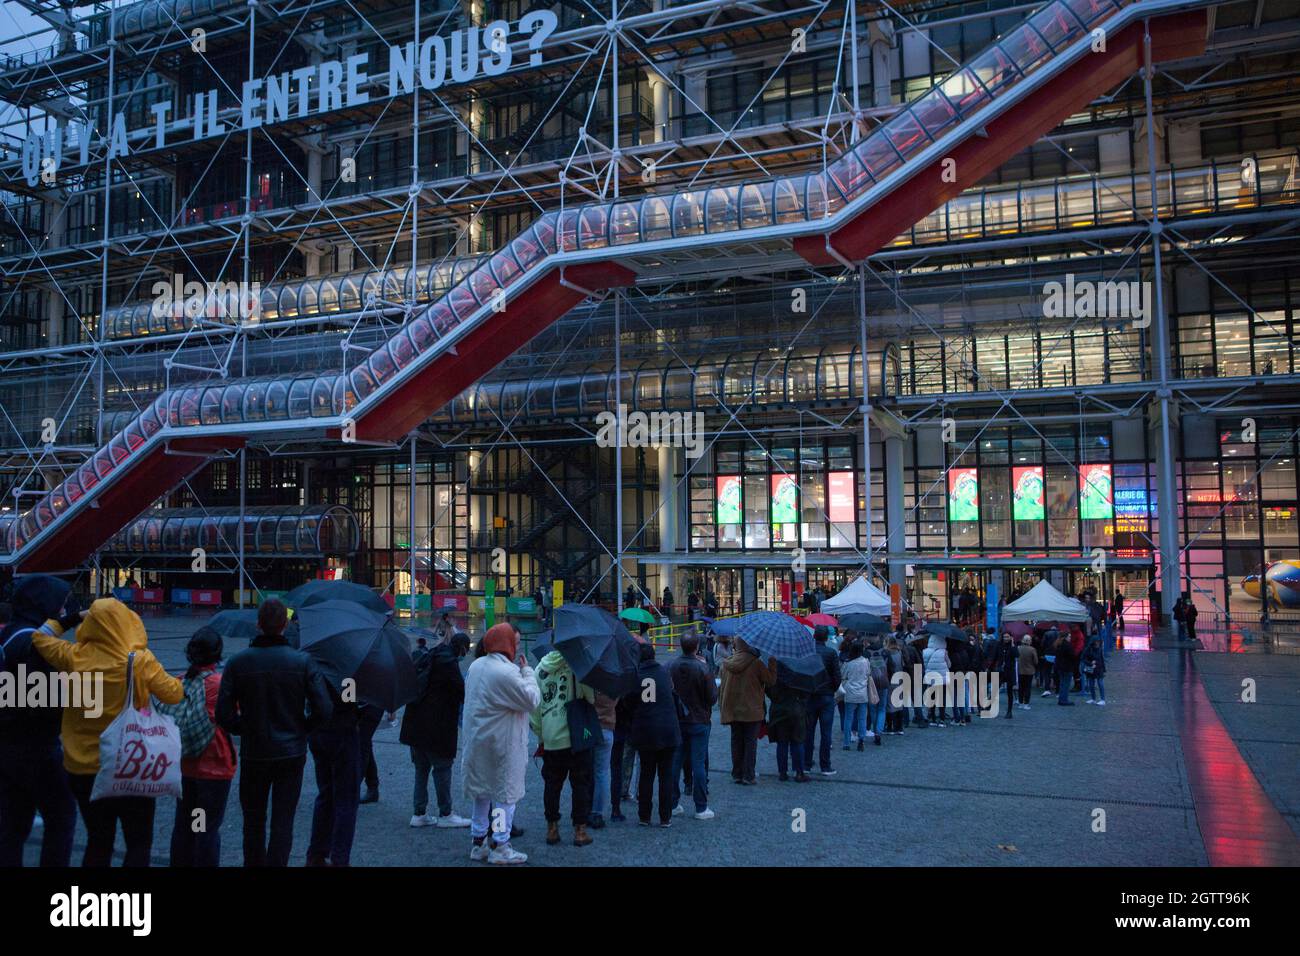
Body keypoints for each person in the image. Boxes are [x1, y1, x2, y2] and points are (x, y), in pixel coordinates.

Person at [33, 597, 184, 867]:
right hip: (130, 764)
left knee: (98, 840)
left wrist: (76, 617)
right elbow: (174, 695)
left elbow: (40, 637)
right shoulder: (138, 661)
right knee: (138, 842)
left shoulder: (73, 657)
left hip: (83, 768)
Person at [217, 598, 333, 867]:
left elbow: (223, 714)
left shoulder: (238, 663)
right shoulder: (302, 662)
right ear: (284, 625)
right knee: (283, 821)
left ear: (258, 624)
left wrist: (245, 728)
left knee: (253, 821)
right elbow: (323, 708)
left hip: (255, 751)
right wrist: (302, 728)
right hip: (290, 752)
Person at [0, 576, 78, 867]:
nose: (61, 610)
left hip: (8, 742)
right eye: (59, 604)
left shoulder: (11, 634)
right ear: (44, 603)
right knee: (62, 815)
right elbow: (45, 702)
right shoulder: (35, 646)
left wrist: (68, 621)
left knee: (13, 823)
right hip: (35, 746)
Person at [462, 623, 540, 864]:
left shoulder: (476, 666)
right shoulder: (505, 673)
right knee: (503, 796)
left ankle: (479, 843)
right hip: (502, 746)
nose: (516, 648)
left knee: (481, 793)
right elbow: (532, 699)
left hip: (478, 742)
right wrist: (527, 672)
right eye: (514, 643)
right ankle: (500, 844)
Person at [159, 626, 236, 867]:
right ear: (217, 654)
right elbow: (233, 718)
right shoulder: (218, 684)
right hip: (214, 767)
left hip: (185, 768)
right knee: (206, 827)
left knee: (185, 824)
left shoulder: (178, 682)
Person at [401, 626, 470, 829]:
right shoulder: (448, 663)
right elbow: (462, 693)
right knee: (442, 769)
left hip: (415, 723)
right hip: (436, 727)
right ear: (462, 649)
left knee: (421, 769)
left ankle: (419, 813)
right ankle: (446, 813)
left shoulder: (431, 655)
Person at [530, 645, 597, 847]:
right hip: (577, 738)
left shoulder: (539, 669)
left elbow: (534, 708)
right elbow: (590, 698)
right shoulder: (578, 665)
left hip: (551, 737)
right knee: (580, 785)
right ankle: (580, 830)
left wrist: (542, 736)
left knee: (552, 785)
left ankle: (552, 828)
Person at [626, 643, 681, 827]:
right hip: (667, 730)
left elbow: (628, 703)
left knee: (646, 774)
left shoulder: (635, 676)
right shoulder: (665, 673)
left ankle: (644, 815)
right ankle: (665, 817)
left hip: (645, 730)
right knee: (666, 775)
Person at [668, 633, 716, 819]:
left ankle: (672, 802)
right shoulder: (702, 668)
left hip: (678, 720)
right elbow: (712, 698)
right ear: (696, 647)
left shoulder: (671, 665)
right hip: (699, 719)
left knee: (675, 762)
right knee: (698, 764)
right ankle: (701, 807)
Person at [718, 636, 776, 785]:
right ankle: (748, 775)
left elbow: (721, 686)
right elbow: (770, 681)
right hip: (752, 710)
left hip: (732, 708)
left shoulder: (726, 663)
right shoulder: (756, 663)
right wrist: (772, 662)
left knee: (736, 741)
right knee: (750, 743)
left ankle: (737, 773)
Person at [805, 626, 841, 774]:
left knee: (808, 731)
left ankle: (806, 763)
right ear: (826, 638)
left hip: (810, 694)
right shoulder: (831, 653)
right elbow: (837, 676)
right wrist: (832, 689)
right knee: (826, 733)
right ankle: (825, 765)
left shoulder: (807, 652)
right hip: (826, 695)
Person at [766, 669, 810, 781]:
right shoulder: (799, 671)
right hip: (796, 710)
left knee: (782, 743)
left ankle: (782, 772)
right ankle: (799, 772)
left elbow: (768, 691)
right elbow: (805, 692)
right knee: (797, 741)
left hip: (778, 711)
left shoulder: (774, 672)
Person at [589, 691, 617, 828]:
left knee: (586, 771)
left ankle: (585, 808)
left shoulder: (589, 681)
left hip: (589, 728)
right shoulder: (614, 684)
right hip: (607, 728)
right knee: (602, 773)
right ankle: (597, 812)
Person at [839, 642, 870, 749]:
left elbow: (843, 676)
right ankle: (861, 740)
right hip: (862, 693)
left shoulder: (848, 663)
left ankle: (846, 742)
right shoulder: (866, 662)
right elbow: (868, 674)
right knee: (862, 718)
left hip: (850, 693)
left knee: (848, 718)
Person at [922, 634, 950, 726]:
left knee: (932, 698)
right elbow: (949, 664)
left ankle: (933, 718)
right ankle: (941, 719)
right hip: (942, 679)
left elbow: (924, 665)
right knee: (941, 699)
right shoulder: (944, 652)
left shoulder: (925, 651)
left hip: (930, 678)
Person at [993, 632, 1019, 719]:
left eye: (1007, 637)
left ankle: (1009, 711)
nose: (1006, 638)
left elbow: (1016, 655)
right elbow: (995, 657)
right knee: (995, 689)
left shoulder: (1012, 647)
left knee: (1009, 692)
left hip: (1010, 672)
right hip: (1000, 671)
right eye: (1004, 637)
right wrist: (990, 667)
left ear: (1011, 637)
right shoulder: (999, 645)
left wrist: (1012, 644)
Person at [1081, 636, 1107, 705]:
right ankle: (1093, 699)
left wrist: (1104, 669)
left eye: (1098, 642)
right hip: (1091, 668)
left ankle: (1102, 699)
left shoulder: (1099, 649)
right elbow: (1083, 658)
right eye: (1096, 642)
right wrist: (1090, 663)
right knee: (1091, 684)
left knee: (1100, 683)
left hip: (1099, 668)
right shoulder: (1088, 649)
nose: (1098, 643)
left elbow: (1102, 659)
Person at [1053, 632, 1076, 706]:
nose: (1070, 638)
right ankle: (1064, 700)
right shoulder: (1067, 645)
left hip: (1060, 667)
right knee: (1066, 685)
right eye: (1069, 636)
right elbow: (1072, 655)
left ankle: (1061, 699)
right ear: (1065, 637)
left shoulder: (1058, 644)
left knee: (1062, 684)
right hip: (1067, 667)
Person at [1016, 635, 1038, 709]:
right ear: (1030, 641)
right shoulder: (1032, 649)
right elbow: (1036, 661)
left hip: (1020, 670)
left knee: (1021, 688)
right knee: (1027, 688)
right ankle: (1026, 704)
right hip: (1029, 671)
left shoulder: (1018, 648)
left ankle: (1020, 703)